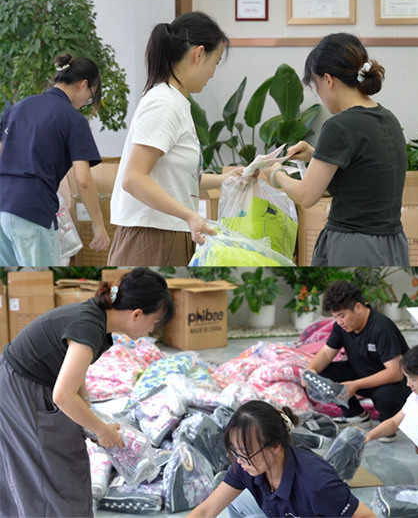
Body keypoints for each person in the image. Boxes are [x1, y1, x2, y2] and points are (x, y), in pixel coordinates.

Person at [0, 268, 174, 516]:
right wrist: (101, 430)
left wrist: (89, 416)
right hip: (21, 390)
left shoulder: (96, 318)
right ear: (137, 314)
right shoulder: (89, 326)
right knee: (48, 476)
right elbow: (62, 395)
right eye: (154, 323)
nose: (152, 330)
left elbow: (72, 372)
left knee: (64, 462)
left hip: (33, 384)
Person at [108, 12, 245, 266]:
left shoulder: (175, 101)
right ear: (199, 54)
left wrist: (226, 179)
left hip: (166, 232)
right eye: (216, 62)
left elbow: (174, 179)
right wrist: (189, 215)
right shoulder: (164, 103)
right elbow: (133, 178)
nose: (213, 73)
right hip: (153, 237)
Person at [265, 33, 409, 266]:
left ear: (328, 80)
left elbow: (306, 196)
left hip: (354, 245)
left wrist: (275, 173)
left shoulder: (339, 126)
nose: (320, 95)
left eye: (316, 85)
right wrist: (315, 155)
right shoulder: (387, 118)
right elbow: (363, 171)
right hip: (394, 243)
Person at [0, 53, 110, 266]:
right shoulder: (73, 119)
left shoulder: (17, 108)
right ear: (83, 85)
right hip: (33, 210)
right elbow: (83, 180)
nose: (85, 103)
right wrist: (98, 225)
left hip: (2, 208)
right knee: (43, 276)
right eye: (90, 96)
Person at [187, 401, 376, 518]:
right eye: (235, 450)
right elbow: (206, 511)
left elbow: (366, 516)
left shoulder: (318, 485)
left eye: (245, 452)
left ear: (275, 446)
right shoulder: (246, 463)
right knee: (236, 501)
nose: (240, 460)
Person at [305, 281, 411, 432]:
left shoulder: (381, 328)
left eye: (342, 316)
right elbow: (326, 353)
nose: (339, 322)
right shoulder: (341, 327)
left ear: (358, 307)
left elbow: (395, 373)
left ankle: (389, 424)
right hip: (361, 373)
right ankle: (356, 414)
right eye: (335, 317)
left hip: (391, 383)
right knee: (321, 374)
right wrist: (310, 371)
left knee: (385, 398)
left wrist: (355, 385)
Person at [364, 344, 418, 445]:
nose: (408, 384)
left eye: (413, 379)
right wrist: (368, 436)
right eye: (407, 378)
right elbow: (394, 422)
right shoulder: (417, 397)